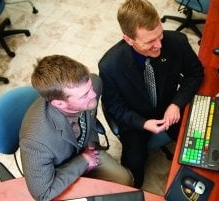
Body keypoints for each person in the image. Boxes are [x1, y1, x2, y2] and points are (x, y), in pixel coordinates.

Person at [98, 0, 204, 188]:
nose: (159, 45)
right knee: (132, 170)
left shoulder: (177, 42)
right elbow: (115, 107)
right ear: (129, 39)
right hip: (135, 120)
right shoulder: (110, 66)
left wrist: (176, 104)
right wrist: (143, 123)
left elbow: (195, 73)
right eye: (149, 42)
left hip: (169, 107)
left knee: (201, 143)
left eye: (160, 35)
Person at [19, 55, 133, 201]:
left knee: (125, 181)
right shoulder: (36, 141)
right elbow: (43, 194)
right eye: (84, 95)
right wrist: (83, 161)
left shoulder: (94, 84)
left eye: (90, 88)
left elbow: (91, 111)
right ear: (59, 104)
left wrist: (91, 147)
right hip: (61, 171)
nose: (93, 95)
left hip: (88, 148)